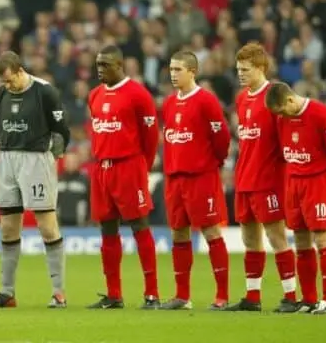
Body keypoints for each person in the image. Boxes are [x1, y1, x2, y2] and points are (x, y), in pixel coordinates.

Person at [0, 51, 70, 309]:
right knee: (7, 227)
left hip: (36, 159)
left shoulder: (45, 92)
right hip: (7, 159)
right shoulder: (0, 95)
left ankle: (58, 292)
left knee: (47, 225)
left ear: (20, 71)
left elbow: (61, 130)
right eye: (3, 83)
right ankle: (7, 293)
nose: (7, 86)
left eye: (10, 81)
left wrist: (53, 156)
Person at [86, 45, 161, 310]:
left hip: (128, 167)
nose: (99, 69)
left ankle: (152, 294)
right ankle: (113, 294)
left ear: (120, 65)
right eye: (98, 64)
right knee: (107, 228)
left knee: (139, 225)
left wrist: (143, 167)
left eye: (105, 64)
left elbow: (151, 137)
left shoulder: (138, 95)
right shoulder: (94, 95)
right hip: (101, 169)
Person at [225, 43, 298, 312]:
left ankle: (291, 297)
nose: (240, 74)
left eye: (245, 70)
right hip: (245, 177)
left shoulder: (275, 96)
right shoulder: (242, 98)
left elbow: (287, 141)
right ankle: (252, 297)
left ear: (261, 68)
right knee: (249, 238)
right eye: (238, 70)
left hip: (268, 179)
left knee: (276, 237)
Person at [265, 81, 326, 315]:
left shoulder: (321, 113)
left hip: (318, 182)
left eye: (281, 110)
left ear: (290, 100)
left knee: (322, 239)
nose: (280, 116)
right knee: (300, 241)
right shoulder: (282, 119)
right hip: (294, 182)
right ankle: (309, 299)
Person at [160, 51, 231, 310]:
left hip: (201, 177)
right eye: (171, 69)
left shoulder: (206, 101)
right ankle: (182, 296)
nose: (173, 74)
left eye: (178, 69)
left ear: (192, 71)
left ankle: (222, 296)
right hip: (174, 178)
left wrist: (214, 163)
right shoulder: (168, 103)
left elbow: (222, 138)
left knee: (211, 231)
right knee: (178, 233)